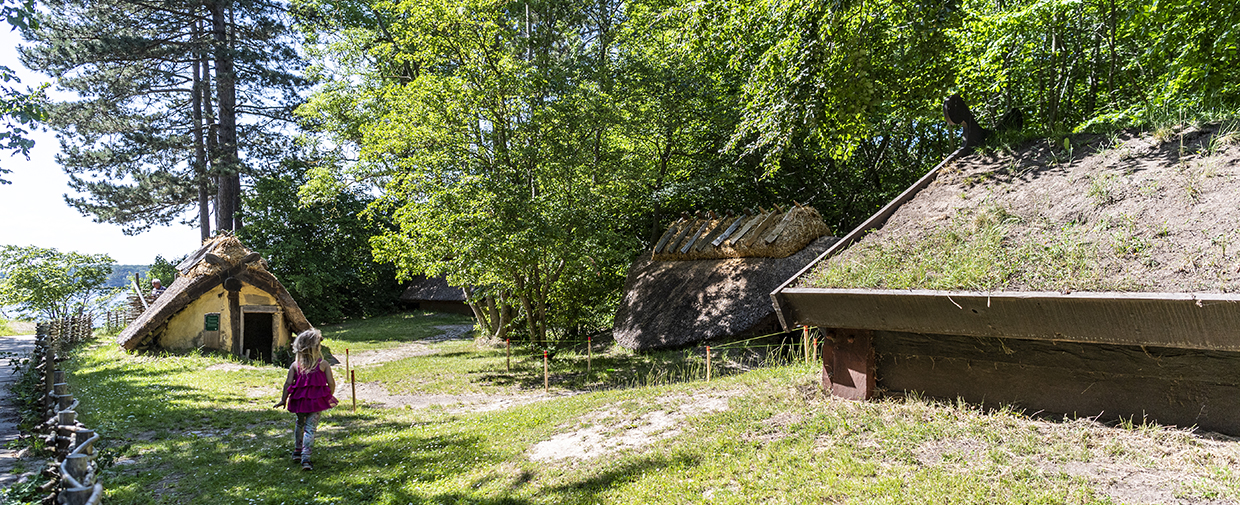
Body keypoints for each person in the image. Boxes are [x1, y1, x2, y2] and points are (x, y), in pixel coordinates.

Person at [274, 329, 338, 470]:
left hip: (300, 402)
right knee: (310, 428)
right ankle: (306, 458)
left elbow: (288, 383)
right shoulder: (324, 364)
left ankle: (297, 451)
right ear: (317, 348)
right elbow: (331, 383)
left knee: (300, 424)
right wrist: (328, 395)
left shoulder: (295, 366)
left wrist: (283, 400)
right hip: (316, 403)